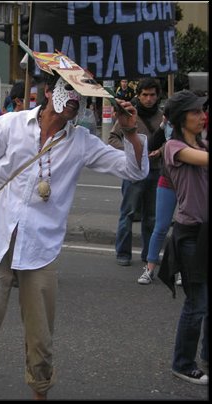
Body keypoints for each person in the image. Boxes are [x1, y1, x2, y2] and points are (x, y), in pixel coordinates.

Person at [0, 69, 149, 400]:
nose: (75, 101)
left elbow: (135, 170)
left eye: (82, 96)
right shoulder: (9, 125)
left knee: (41, 341)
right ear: (48, 92)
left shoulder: (81, 143)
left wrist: (131, 133)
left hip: (40, 252)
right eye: (69, 91)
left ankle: (40, 393)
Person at [158, 90, 208, 385]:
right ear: (181, 118)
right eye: (196, 112)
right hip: (189, 236)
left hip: (206, 232)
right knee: (197, 302)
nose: (202, 116)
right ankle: (182, 362)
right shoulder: (173, 147)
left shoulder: (202, 144)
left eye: (203, 111)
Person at [108, 78, 163, 266]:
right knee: (128, 214)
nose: (149, 99)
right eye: (145, 95)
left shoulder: (162, 117)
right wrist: (132, 152)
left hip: (155, 171)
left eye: (152, 95)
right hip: (133, 173)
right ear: (138, 95)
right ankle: (123, 253)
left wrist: (160, 151)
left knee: (151, 217)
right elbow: (113, 138)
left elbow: (170, 141)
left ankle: (149, 255)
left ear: (157, 96)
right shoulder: (129, 113)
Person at [137, 105, 178, 285]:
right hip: (167, 180)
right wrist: (163, 126)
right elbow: (153, 144)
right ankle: (150, 268)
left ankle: (183, 269)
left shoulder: (199, 131)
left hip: (190, 183)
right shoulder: (168, 127)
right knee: (160, 226)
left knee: (186, 228)